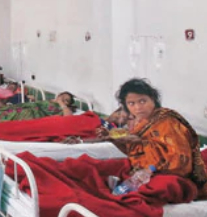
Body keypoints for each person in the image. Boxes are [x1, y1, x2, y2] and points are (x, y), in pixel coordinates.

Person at [73, 79, 207, 195]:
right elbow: (133, 147)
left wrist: (148, 169)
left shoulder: (168, 122)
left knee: (163, 185)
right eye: (131, 104)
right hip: (143, 170)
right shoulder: (143, 122)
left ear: (153, 99)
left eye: (142, 101)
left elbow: (180, 160)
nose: (138, 107)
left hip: (174, 175)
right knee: (87, 167)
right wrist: (108, 139)